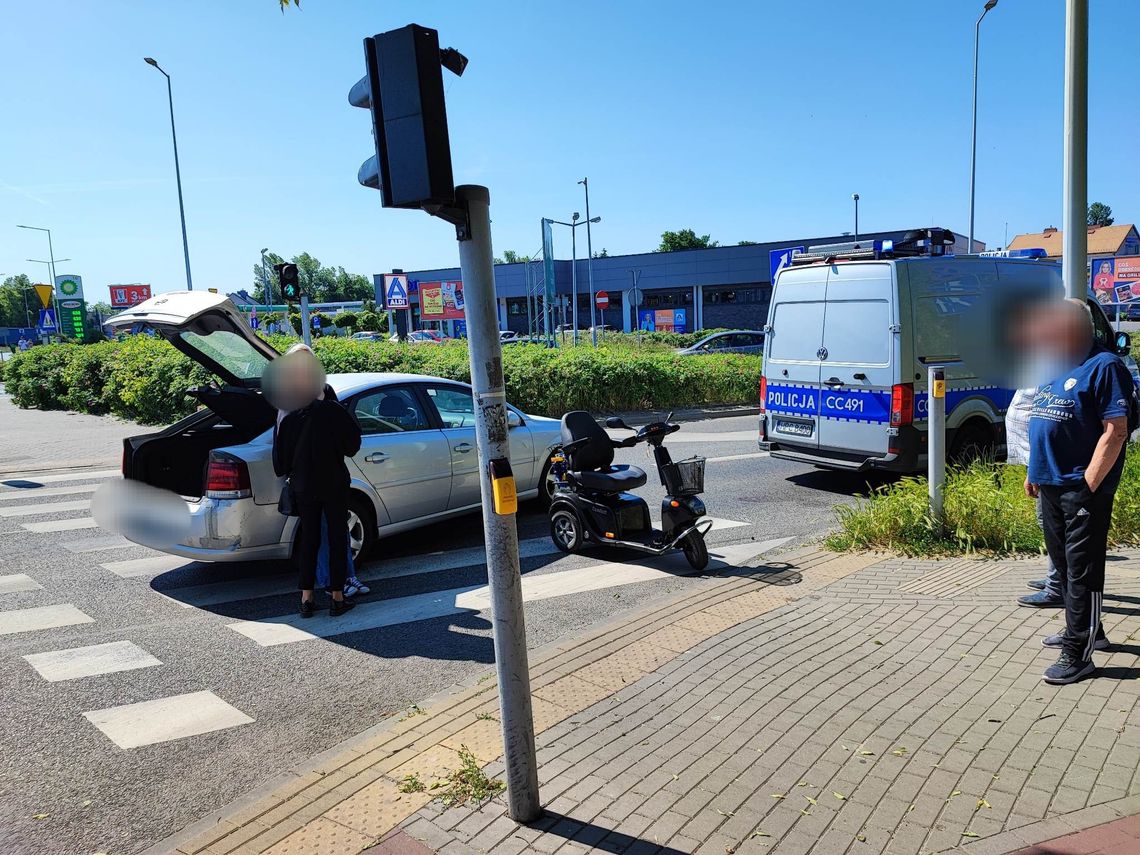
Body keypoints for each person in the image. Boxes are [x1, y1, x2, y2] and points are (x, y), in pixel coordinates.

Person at [1025, 299, 1131, 684]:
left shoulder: (1106, 366)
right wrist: (1034, 470)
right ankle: (1090, 631)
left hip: (1082, 488)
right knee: (1065, 565)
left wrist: (1088, 485)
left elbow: (1115, 431)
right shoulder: (1056, 363)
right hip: (1050, 482)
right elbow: (1045, 417)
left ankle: (1078, 654)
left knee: (1083, 569)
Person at [270, 345, 363, 618]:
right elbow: (352, 445)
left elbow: (280, 456)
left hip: (302, 483)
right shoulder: (332, 407)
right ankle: (337, 597)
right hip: (333, 481)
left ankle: (306, 599)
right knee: (336, 537)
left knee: (309, 539)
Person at [1006, 387, 1064, 609]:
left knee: (1053, 526)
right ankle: (1056, 578)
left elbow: (1047, 414)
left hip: (1045, 459)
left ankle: (1056, 587)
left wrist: (1036, 467)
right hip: (1037, 458)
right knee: (1049, 525)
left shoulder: (1055, 367)